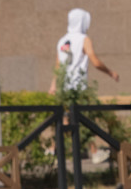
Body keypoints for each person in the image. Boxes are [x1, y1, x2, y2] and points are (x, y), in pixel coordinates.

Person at [49, 8, 119, 162]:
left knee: (65, 120)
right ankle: (93, 152)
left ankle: (54, 150)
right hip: (78, 87)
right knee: (83, 118)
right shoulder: (83, 39)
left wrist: (53, 85)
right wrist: (110, 72)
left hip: (63, 87)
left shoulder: (62, 41)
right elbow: (95, 61)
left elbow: (57, 65)